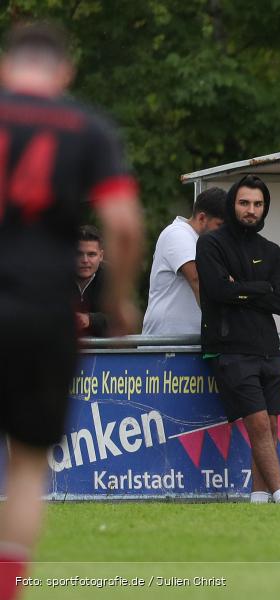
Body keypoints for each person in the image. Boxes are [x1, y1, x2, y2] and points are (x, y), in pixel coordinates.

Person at [0, 22, 142, 598]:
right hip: (43, 311)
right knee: (30, 463)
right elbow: (126, 224)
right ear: (65, 72)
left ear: (7, 66)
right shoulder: (87, 128)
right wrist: (118, 297)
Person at [196, 174, 280, 504]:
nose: (251, 210)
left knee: (271, 425)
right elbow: (219, 290)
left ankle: (259, 498)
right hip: (231, 349)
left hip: (267, 347)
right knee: (258, 425)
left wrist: (244, 288)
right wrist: (260, 287)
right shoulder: (210, 244)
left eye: (258, 204)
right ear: (232, 204)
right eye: (244, 203)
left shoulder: (272, 250)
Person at [142, 187, 226, 335]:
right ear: (201, 218)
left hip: (189, 341)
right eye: (219, 225)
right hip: (167, 343)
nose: (223, 232)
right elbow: (198, 279)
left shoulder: (205, 243)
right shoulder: (178, 234)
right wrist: (223, 326)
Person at [74, 225, 108, 336]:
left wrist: (90, 320)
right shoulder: (56, 277)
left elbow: (121, 320)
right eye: (78, 254)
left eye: (91, 254)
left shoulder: (113, 279)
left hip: (105, 351)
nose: (85, 260)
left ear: (101, 256)